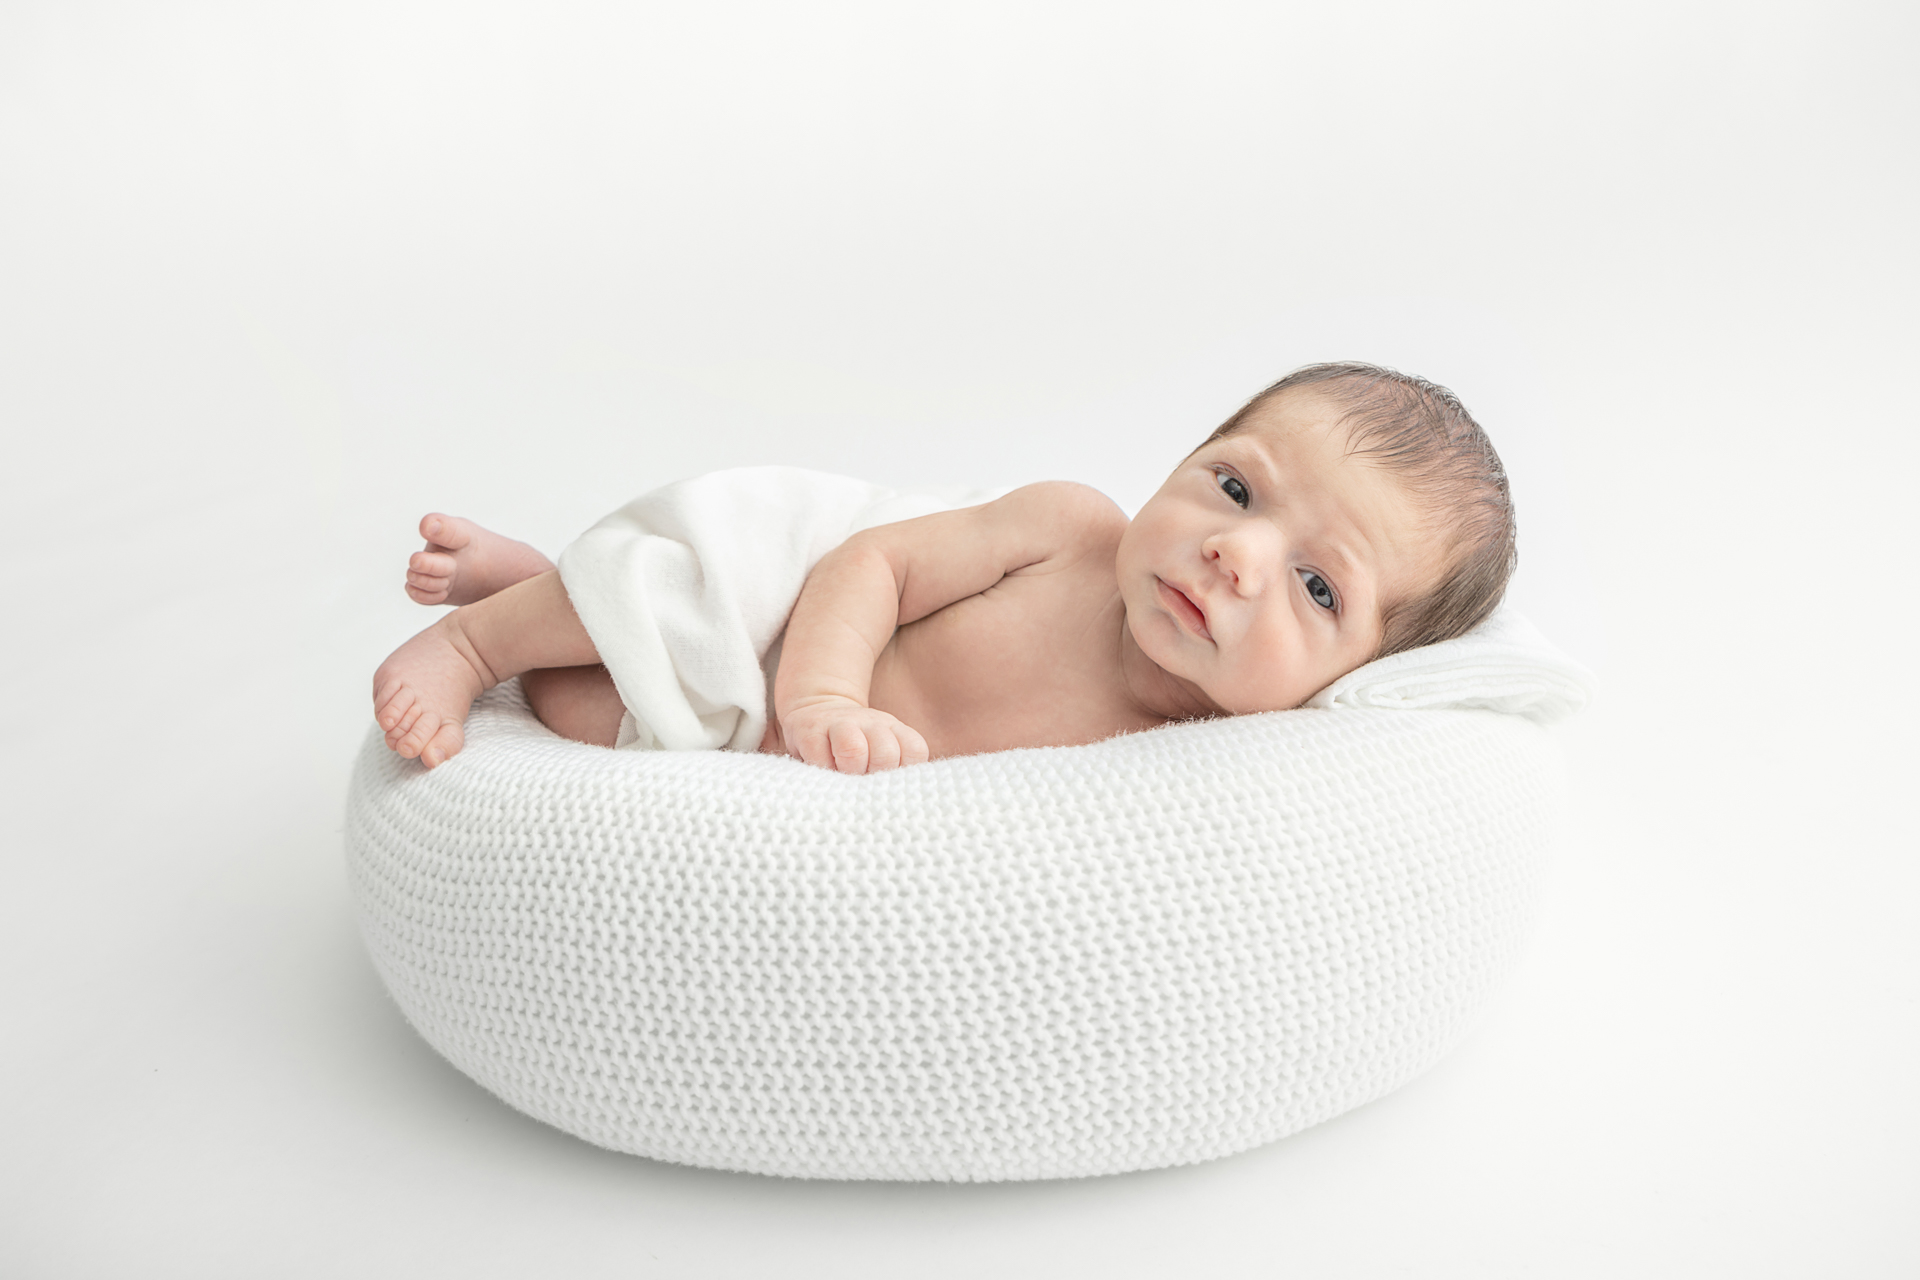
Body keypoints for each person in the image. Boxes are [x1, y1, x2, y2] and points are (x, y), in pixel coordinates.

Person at [372, 362, 1516, 774]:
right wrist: (821, 694)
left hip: (767, 737)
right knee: (668, 598)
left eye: (1321, 588)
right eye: (1235, 485)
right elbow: (869, 563)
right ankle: (481, 630)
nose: (1237, 551)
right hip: (788, 611)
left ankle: (530, 580)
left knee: (582, 712)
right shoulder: (1070, 532)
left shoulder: (1214, 762)